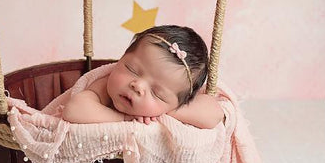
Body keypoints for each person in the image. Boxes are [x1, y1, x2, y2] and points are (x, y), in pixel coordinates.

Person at [62, 25, 225, 129]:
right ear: (121, 58)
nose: (137, 86)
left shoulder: (169, 107)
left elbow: (214, 115)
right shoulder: (104, 87)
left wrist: (163, 112)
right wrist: (125, 118)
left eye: (157, 93)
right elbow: (74, 109)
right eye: (132, 69)